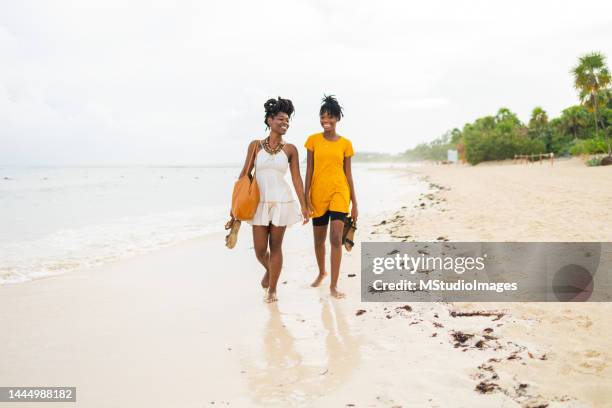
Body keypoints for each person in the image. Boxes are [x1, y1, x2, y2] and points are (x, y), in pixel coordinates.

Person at [238, 97, 309, 303]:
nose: (284, 123)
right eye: (280, 119)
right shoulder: (255, 146)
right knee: (260, 250)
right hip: (258, 203)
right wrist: (235, 205)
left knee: (276, 246)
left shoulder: (291, 150)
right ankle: (270, 271)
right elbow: (244, 174)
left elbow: (296, 178)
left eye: (287, 120)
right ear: (269, 120)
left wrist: (304, 206)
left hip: (281, 201)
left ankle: (273, 290)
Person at [304, 95, 357, 299]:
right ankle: (321, 272)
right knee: (318, 241)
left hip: (339, 192)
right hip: (318, 194)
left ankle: (334, 285)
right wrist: (305, 196)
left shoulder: (346, 144)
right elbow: (308, 170)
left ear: (338, 119)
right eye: (322, 116)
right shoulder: (312, 141)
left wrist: (355, 203)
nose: (326, 120)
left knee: (335, 238)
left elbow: (348, 174)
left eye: (330, 117)